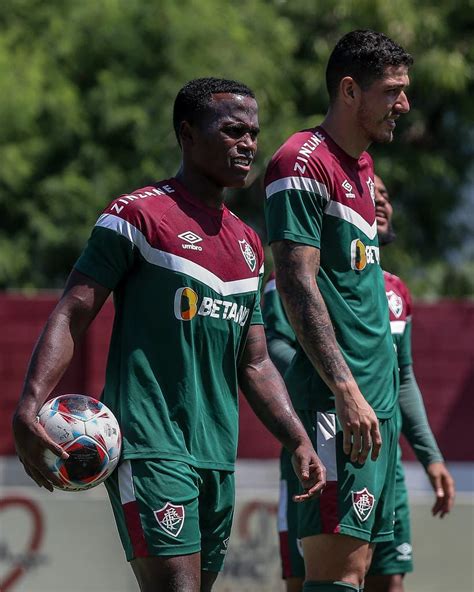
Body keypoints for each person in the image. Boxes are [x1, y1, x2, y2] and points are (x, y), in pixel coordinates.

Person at [12, 77, 326, 592]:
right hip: (151, 441)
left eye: (253, 132)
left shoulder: (248, 244)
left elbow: (255, 362)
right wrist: (30, 402)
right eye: (231, 131)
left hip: (215, 455)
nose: (248, 144)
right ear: (187, 134)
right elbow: (72, 312)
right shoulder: (137, 216)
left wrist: (296, 437)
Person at [264, 30, 413, 592]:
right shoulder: (300, 162)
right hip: (337, 406)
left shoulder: (364, 168)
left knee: (367, 575)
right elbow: (296, 287)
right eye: (392, 91)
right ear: (349, 91)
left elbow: (347, 274)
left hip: (376, 409)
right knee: (333, 577)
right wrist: (345, 389)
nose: (404, 104)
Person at [264, 174, 455, 592]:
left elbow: (403, 378)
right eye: (372, 195)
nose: (381, 202)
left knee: (385, 578)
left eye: (387, 196)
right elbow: (270, 351)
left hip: (385, 456)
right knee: (317, 577)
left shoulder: (396, 293)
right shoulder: (301, 282)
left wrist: (431, 456)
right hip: (325, 438)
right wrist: (334, 380)